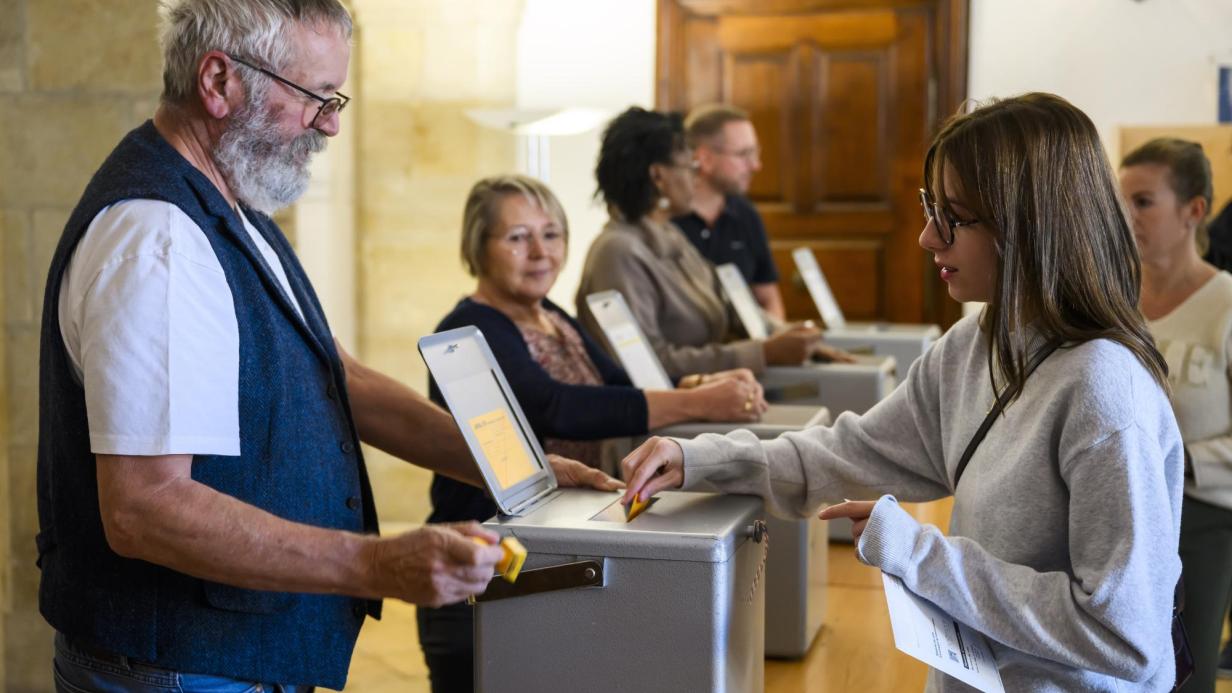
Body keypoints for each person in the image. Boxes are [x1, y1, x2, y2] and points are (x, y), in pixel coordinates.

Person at [36, 2, 612, 691]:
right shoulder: (158, 237)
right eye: (314, 97)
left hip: (231, 659)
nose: (332, 124)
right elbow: (143, 507)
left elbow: (339, 377)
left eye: (334, 99)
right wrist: (375, 563)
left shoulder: (235, 206)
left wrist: (515, 465)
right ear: (218, 82)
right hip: (186, 667)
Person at [621, 93, 1185, 690]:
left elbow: (1124, 637)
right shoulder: (978, 341)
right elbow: (848, 453)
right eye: (929, 208)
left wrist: (919, 554)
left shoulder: (1103, 388)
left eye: (953, 217)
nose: (925, 238)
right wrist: (699, 458)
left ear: (1028, 221)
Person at [416, 174, 768, 692]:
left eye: (552, 234)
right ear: (478, 246)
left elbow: (622, 388)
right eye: (518, 237)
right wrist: (695, 402)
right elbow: (558, 408)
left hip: (550, 560)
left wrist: (700, 382)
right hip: (482, 571)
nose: (540, 251)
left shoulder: (553, 316)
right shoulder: (471, 325)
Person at [575, 106, 847, 382]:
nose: (696, 176)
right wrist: (762, 353)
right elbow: (648, 364)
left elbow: (728, 303)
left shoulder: (670, 235)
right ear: (658, 177)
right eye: (689, 167)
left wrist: (791, 335)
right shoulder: (618, 251)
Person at [1121, 137, 1232, 691]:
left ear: (1193, 211)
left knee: (1183, 678)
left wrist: (1177, 461)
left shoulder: (1227, 305)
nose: (1127, 216)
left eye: (1143, 202)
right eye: (1121, 202)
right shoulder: (1110, 302)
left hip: (1202, 522)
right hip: (1116, 510)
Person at [673, 104, 785, 319]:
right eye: (744, 154)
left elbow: (768, 297)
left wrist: (776, 345)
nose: (756, 165)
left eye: (755, 153)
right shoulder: (665, 221)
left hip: (749, 345)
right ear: (704, 159)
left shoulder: (746, 213)